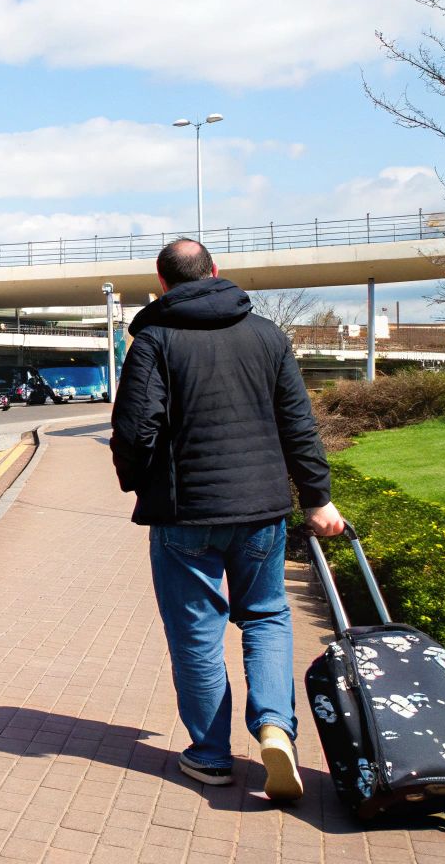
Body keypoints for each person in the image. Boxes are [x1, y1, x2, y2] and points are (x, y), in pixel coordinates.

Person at [110, 239, 345, 803]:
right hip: (262, 511)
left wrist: (138, 481)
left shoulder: (155, 341)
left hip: (185, 515)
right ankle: (273, 729)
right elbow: (298, 425)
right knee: (265, 617)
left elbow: (135, 430)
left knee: (196, 632)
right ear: (215, 272)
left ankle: (211, 757)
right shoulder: (266, 335)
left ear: (162, 284)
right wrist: (318, 498)